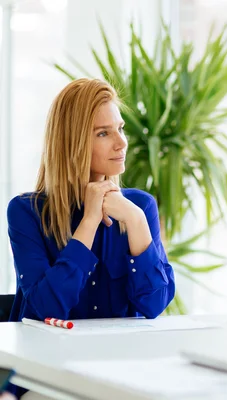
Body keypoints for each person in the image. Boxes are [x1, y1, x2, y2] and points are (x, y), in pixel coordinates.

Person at [7, 78, 175, 323]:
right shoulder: (26, 211)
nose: (122, 143)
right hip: (44, 356)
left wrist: (136, 220)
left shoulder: (139, 207)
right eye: (103, 133)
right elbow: (47, 308)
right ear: (72, 143)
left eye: (121, 128)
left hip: (114, 358)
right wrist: (89, 221)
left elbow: (154, 304)